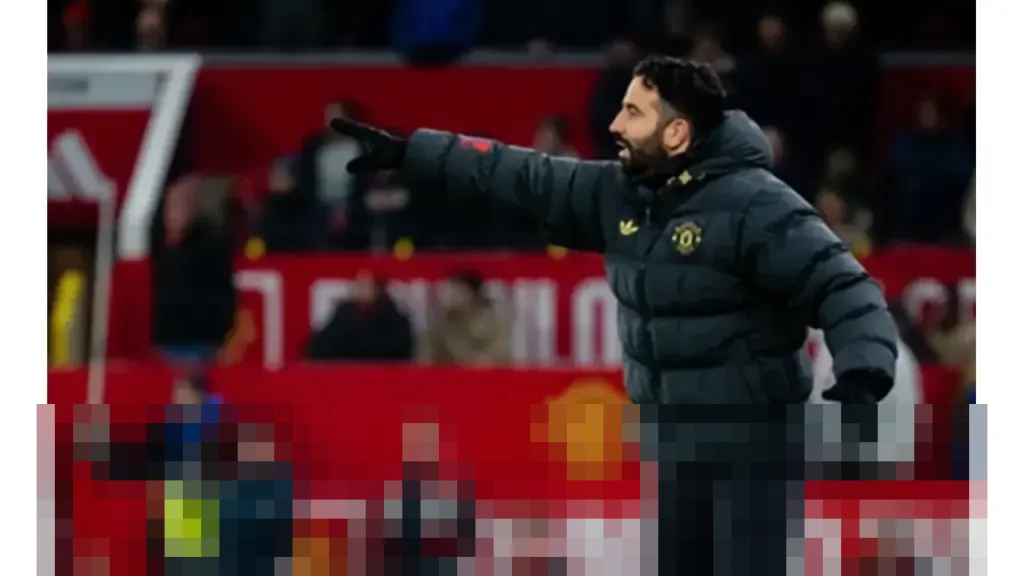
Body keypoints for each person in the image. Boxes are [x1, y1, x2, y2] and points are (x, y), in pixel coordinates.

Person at [329, 55, 897, 576]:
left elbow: (844, 287)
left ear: (676, 132)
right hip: (673, 451)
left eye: (633, 112)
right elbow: (516, 175)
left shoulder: (759, 206)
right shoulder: (617, 192)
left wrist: (862, 376)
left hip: (752, 456)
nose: (615, 124)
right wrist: (413, 155)